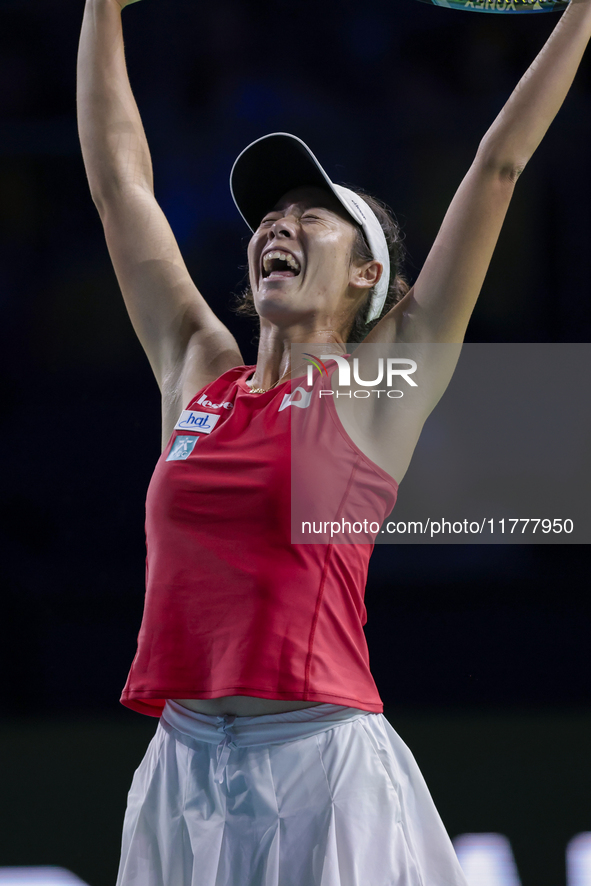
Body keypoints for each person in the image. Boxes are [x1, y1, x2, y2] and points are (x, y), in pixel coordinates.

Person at [77, 1, 591, 884]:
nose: (278, 224)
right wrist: (101, 12)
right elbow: (120, 186)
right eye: (270, 215)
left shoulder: (378, 388)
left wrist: (581, 14)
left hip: (319, 766)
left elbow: (498, 164)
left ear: (367, 275)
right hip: (180, 769)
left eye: (312, 215)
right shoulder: (199, 374)